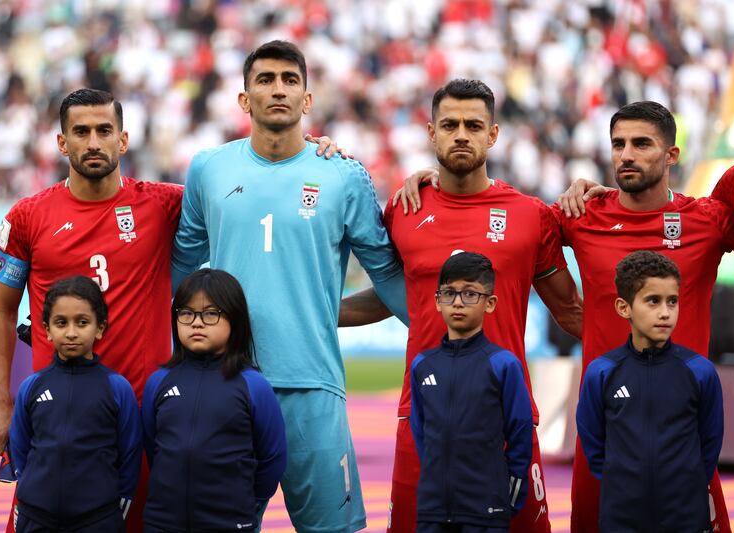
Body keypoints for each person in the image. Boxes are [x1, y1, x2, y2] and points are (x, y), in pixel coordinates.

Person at [0, 86, 344, 533]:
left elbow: (246, 192)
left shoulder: (163, 203)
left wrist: (311, 153)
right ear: (62, 143)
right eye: (81, 132)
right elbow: (0, 311)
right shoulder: (27, 216)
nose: (93, 141)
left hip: (145, 418)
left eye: (104, 130)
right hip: (58, 416)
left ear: (123, 139)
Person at [172, 40, 408, 532]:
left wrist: (442, 334)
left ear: (307, 99)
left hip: (313, 388)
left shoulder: (343, 175)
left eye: (289, 80)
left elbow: (389, 276)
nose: (277, 89)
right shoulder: (208, 169)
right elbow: (176, 271)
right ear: (244, 99)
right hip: (223, 384)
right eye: (264, 79)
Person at [340, 79, 582, 533]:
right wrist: (321, 313)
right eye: (449, 125)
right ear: (431, 132)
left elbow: (571, 312)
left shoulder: (531, 215)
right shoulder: (404, 208)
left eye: (474, 125)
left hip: (504, 414)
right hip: (422, 412)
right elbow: (396, 295)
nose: (461, 135)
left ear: (493, 135)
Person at [552, 101, 734, 533]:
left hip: (684, 427)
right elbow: (504, 218)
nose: (626, 155)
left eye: (641, 144)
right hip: (605, 425)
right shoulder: (581, 216)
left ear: (672, 155)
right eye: (618, 144)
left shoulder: (708, 221)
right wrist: (436, 182)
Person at [576, 251, 723, 532]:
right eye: (653, 301)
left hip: (685, 515)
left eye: (673, 301)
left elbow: (710, 442)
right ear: (623, 307)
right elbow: (593, 443)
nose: (665, 312)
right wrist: (621, 481)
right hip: (621, 514)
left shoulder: (700, 371)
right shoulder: (602, 372)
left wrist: (685, 484)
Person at [142, 268, 286, 532]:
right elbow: (154, 448)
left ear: (235, 320)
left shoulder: (253, 385)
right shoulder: (159, 381)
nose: (196, 323)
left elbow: (272, 457)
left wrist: (246, 502)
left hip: (229, 521)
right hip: (163, 522)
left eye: (210, 314)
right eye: (186, 313)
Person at [410, 252, 533, 532]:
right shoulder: (423, 365)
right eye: (449, 293)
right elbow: (421, 434)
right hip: (433, 509)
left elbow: (520, 435)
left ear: (490, 303)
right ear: (437, 300)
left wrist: (509, 495)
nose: (457, 302)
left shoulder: (503, 364)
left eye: (470, 294)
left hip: (486, 508)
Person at [9, 276, 142, 532]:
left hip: (97, 519)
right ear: (47, 329)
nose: (71, 332)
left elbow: (130, 454)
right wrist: (30, 500)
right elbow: (20, 450)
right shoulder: (32, 387)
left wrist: (114, 508)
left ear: (100, 328)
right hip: (37, 518)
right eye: (61, 323)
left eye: (82, 322)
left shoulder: (117, 388)